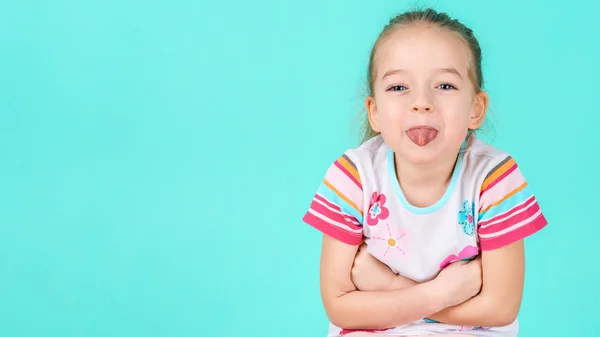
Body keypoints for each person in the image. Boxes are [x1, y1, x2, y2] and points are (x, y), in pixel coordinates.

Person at [301, 8, 548, 337]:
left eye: (445, 85)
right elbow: (339, 305)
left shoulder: (494, 177)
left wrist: (390, 287)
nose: (421, 102)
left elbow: (500, 308)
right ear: (374, 112)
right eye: (399, 87)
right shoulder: (353, 176)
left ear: (476, 108)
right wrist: (439, 293)